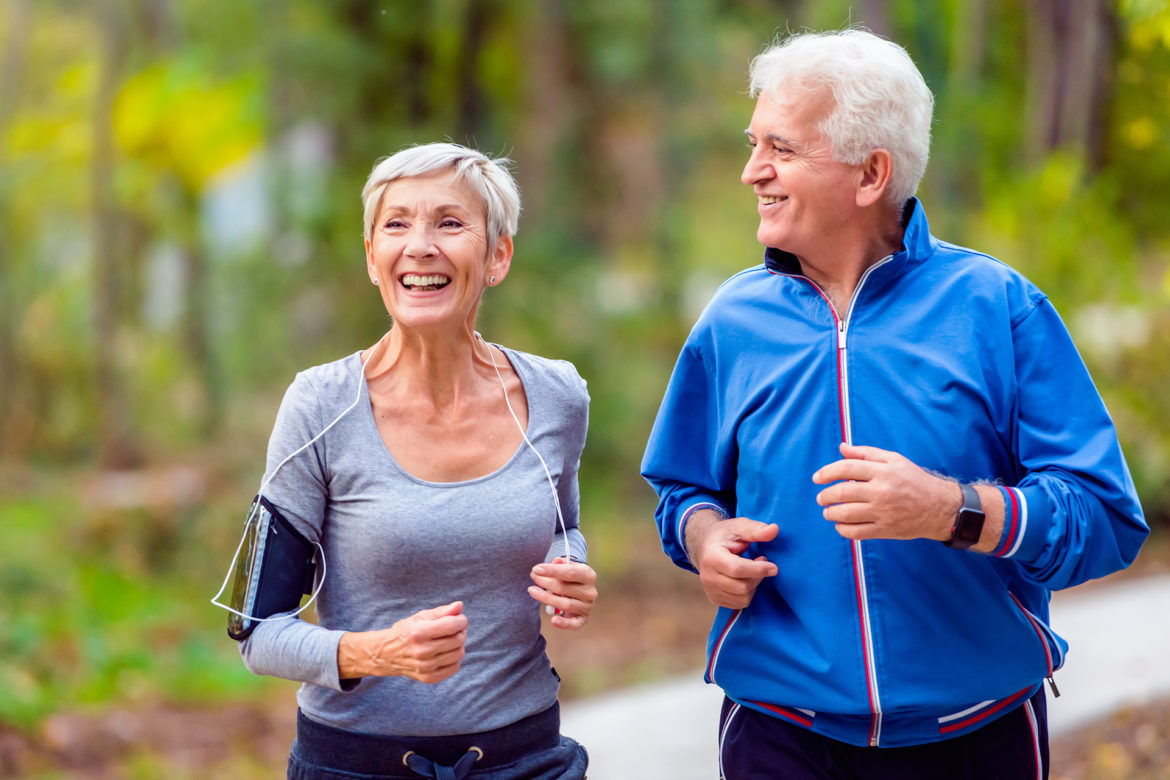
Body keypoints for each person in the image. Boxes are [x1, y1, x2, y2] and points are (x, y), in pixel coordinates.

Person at [641, 29, 1147, 780]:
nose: (752, 171)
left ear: (870, 173)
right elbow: (682, 491)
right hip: (778, 733)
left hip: (979, 733)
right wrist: (705, 538)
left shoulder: (995, 306)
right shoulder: (732, 321)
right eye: (754, 144)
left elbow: (1104, 518)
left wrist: (951, 510)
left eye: (781, 147)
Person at [217, 142, 595, 779]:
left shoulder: (556, 396)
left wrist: (571, 566)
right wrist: (377, 652)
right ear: (372, 258)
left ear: (497, 255)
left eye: (450, 223)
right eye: (396, 224)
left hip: (526, 759)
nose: (420, 246)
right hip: (355, 764)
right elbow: (256, 630)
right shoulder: (320, 406)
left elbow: (563, 526)